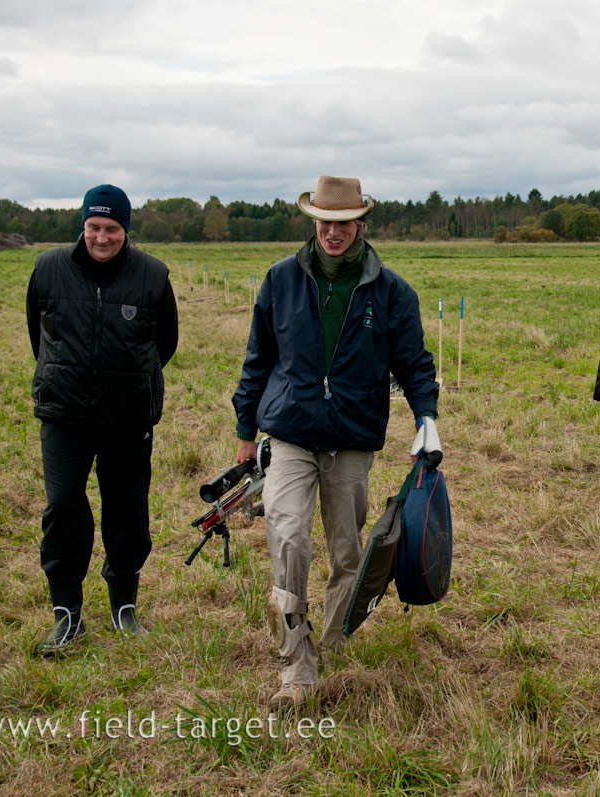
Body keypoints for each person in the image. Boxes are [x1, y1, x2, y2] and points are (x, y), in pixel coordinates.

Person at [232, 175, 440, 709]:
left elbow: (414, 364)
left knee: (347, 552)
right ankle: (297, 662)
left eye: (343, 223)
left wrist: (427, 418)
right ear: (313, 222)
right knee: (288, 536)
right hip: (292, 434)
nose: (332, 231)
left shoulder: (391, 292)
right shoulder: (280, 281)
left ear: (360, 225)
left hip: (352, 439)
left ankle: (333, 641)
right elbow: (258, 360)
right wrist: (243, 432)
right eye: (324, 221)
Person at [26, 184, 178, 656]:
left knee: (127, 511)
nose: (101, 237)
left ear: (125, 230)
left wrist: (128, 380)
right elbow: (39, 332)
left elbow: (164, 344)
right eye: (94, 226)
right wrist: (63, 375)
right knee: (64, 507)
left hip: (128, 417)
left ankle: (123, 607)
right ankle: (67, 614)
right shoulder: (49, 268)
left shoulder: (152, 275)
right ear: (83, 225)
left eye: (112, 228)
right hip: (64, 416)